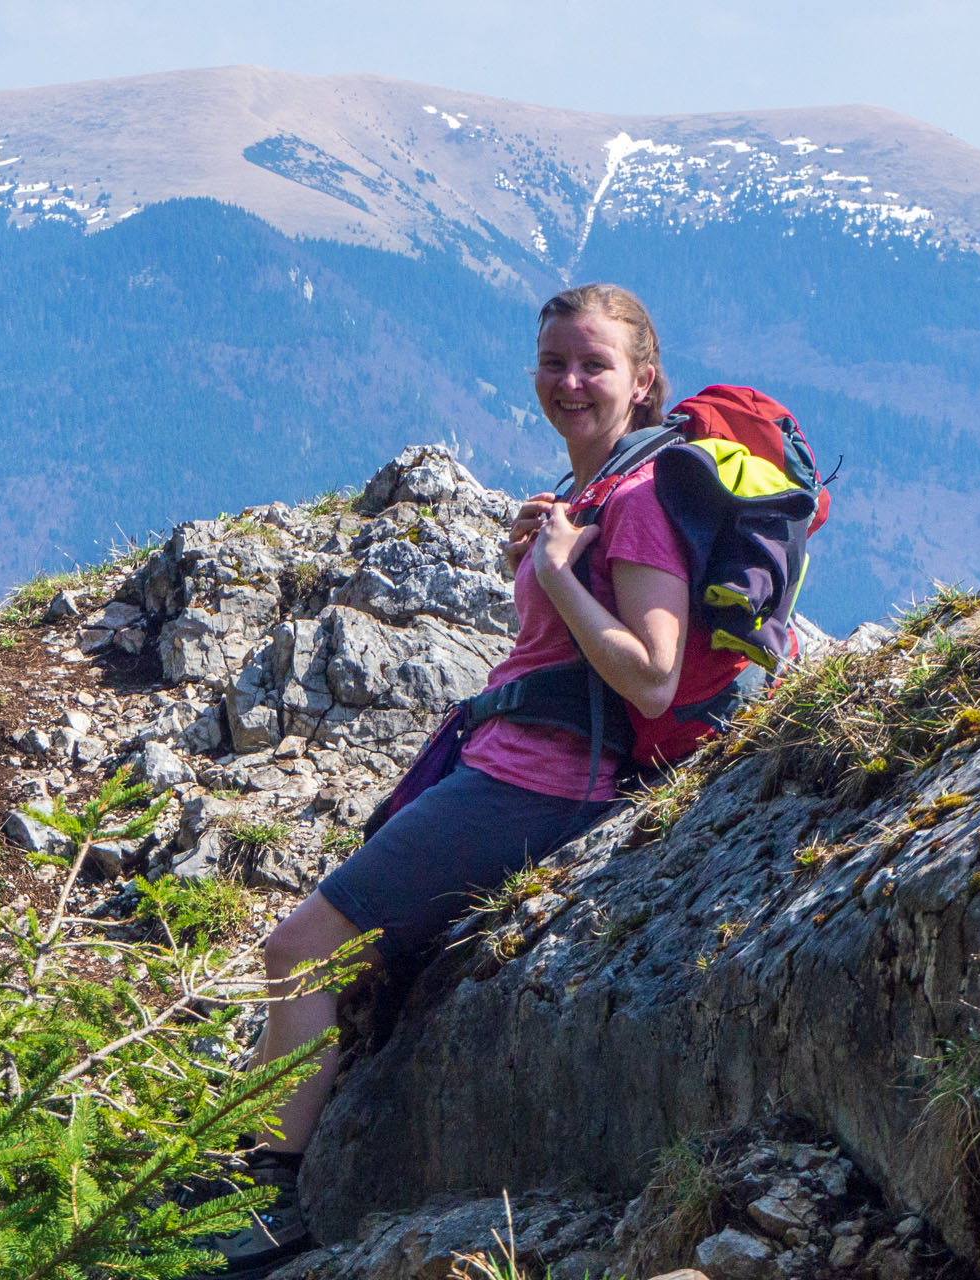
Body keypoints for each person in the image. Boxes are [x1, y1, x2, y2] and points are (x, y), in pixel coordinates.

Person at [195, 284, 694, 1279]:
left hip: (550, 784)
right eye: (553, 362)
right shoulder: (595, 493)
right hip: (507, 761)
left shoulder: (641, 500)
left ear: (643, 379)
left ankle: (259, 1206)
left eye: (593, 363)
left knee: (299, 946)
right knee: (334, 954)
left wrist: (556, 577)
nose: (569, 381)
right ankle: (255, 1178)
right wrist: (548, 559)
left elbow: (653, 669)